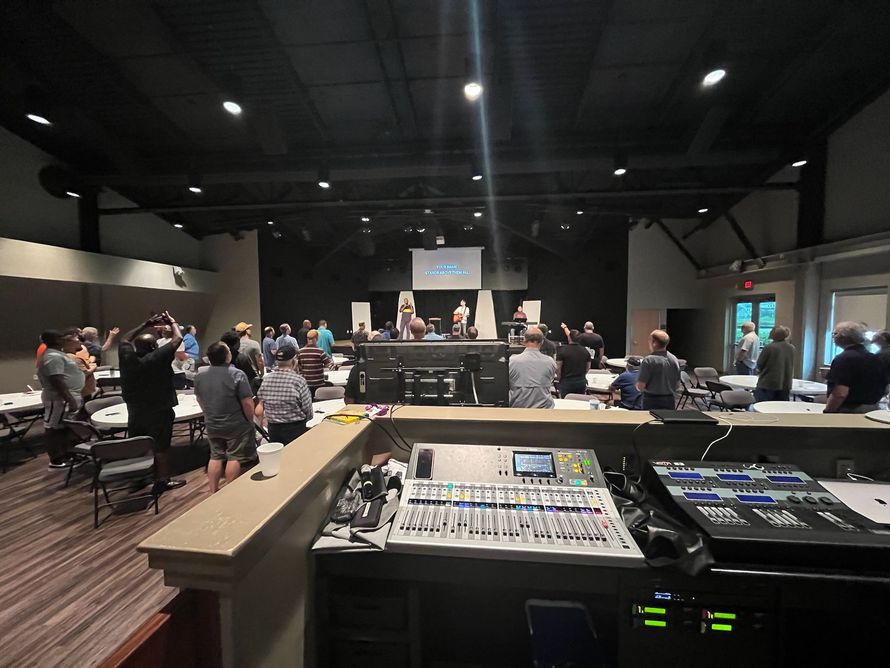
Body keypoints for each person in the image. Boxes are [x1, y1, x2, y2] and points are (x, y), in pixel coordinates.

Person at [118, 312, 186, 493]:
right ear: (154, 346)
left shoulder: (127, 358)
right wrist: (173, 322)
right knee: (161, 447)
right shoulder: (158, 357)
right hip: (159, 409)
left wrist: (144, 324)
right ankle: (162, 481)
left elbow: (124, 339)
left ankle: (138, 479)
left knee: (138, 445)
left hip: (135, 410)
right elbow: (177, 339)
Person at [194, 342, 257, 493]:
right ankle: (229, 493)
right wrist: (250, 420)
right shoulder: (237, 374)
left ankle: (213, 490)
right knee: (234, 457)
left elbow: (199, 399)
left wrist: (209, 414)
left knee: (215, 456)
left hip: (212, 423)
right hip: (235, 424)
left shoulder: (200, 376)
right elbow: (247, 403)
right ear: (226, 356)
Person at [38, 328, 85, 468]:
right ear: (55, 340)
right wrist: (69, 398)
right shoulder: (53, 356)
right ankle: (56, 459)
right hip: (58, 398)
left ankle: (67, 454)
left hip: (66, 397)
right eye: (60, 337)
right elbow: (56, 380)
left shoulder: (58, 354)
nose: (63, 339)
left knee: (64, 428)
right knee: (53, 429)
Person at [256, 345, 313, 445]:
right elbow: (307, 409)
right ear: (294, 360)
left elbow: (261, 403)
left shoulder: (266, 380)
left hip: (274, 429)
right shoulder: (298, 381)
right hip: (295, 428)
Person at [824, 321, 887, 414]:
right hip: (873, 409)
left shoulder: (843, 359)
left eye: (835, 333)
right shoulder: (875, 358)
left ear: (844, 337)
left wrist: (828, 412)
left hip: (849, 410)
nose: (833, 337)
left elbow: (840, 394)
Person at [508, 327, 556, 409]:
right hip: (544, 411)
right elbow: (551, 380)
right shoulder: (550, 362)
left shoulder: (512, 361)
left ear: (524, 340)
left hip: (518, 410)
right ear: (542, 342)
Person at [635, 330, 680, 410]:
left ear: (654, 343)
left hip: (651, 400)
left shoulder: (648, 360)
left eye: (649, 340)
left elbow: (640, 386)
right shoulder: (674, 359)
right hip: (670, 400)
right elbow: (677, 385)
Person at [754, 326, 796, 402]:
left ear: (775, 334)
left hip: (768, 383)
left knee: (762, 405)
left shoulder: (769, 347)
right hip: (785, 383)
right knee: (780, 406)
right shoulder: (791, 348)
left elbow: (760, 364)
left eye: (772, 330)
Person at [296, 329, 337, 397]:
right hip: (319, 383)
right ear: (316, 338)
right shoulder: (320, 351)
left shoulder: (300, 352)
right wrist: (332, 363)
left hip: (306, 384)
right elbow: (328, 365)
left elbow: (298, 366)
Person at [555, 330, 591, 397]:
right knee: (579, 401)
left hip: (566, 382)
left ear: (569, 337)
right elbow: (588, 367)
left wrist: (559, 378)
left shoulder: (562, 350)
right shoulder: (585, 351)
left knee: (566, 401)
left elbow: (558, 368)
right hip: (581, 381)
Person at [875, 330, 890, 407]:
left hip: (885, 383)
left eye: (876, 336)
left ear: (883, 339)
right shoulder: (883, 352)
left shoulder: (883, 354)